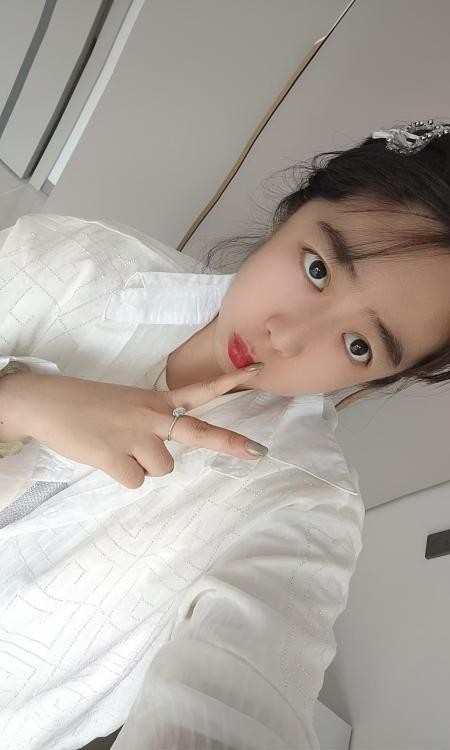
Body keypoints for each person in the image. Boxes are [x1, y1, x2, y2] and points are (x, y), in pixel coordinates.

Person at [0, 119, 449, 750]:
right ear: (289, 214)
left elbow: (242, 691)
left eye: (358, 345)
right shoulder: (69, 261)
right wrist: (18, 400)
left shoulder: (305, 509)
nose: (285, 337)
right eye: (318, 269)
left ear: (381, 377)